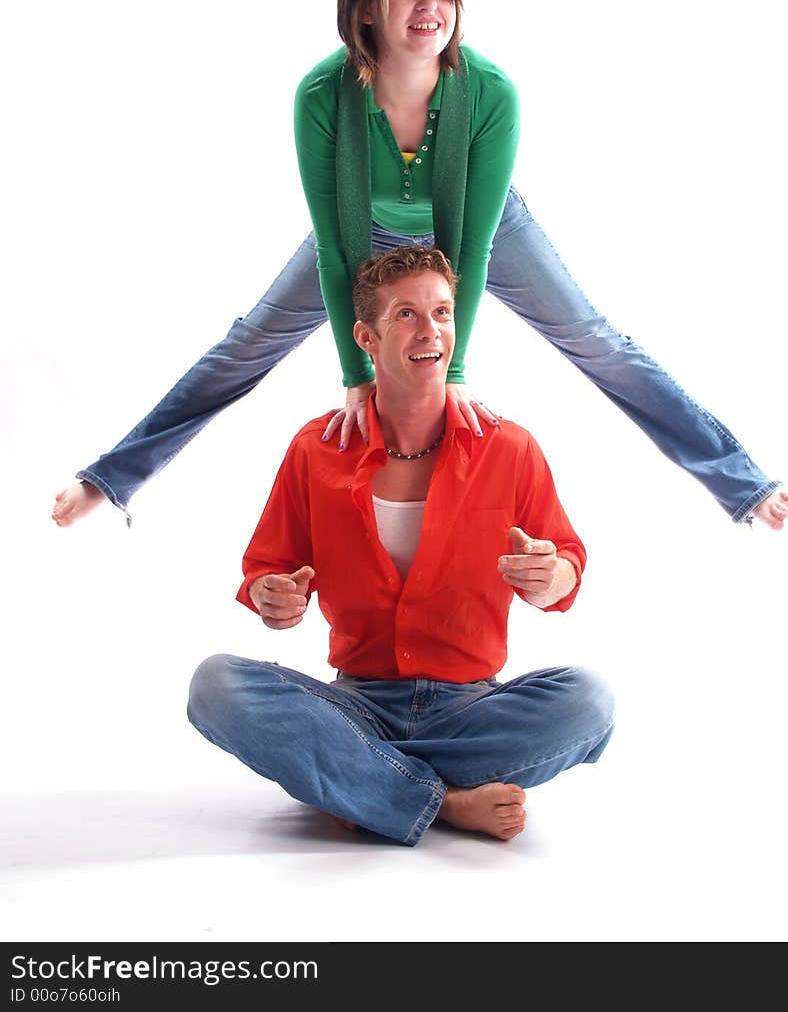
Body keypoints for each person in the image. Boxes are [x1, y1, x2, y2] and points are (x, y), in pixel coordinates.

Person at [52, 0, 788, 531]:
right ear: (365, 8)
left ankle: (741, 482)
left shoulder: (491, 93)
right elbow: (339, 244)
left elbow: (464, 242)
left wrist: (455, 363)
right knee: (248, 342)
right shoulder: (322, 95)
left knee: (594, 338)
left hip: (480, 224)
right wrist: (355, 374)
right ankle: (111, 478)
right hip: (361, 229)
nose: (425, 4)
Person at [187, 247, 614, 844]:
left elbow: (566, 559)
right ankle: (441, 803)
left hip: (472, 709)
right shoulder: (316, 450)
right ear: (366, 335)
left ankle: (357, 779)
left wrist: (553, 577)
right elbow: (269, 568)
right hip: (356, 702)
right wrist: (269, 596)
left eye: (442, 311)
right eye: (407, 315)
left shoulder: (508, 447)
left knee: (588, 702)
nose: (431, 328)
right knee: (216, 686)